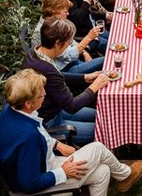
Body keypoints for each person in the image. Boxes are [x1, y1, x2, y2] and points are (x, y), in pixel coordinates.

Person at [0, 69, 142, 196]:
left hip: (48, 165)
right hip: (44, 194)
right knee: (97, 148)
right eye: (41, 94)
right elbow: (29, 183)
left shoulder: (12, 111)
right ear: (28, 103)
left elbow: (40, 138)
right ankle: (125, 175)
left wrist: (57, 144)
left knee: (103, 171)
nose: (45, 94)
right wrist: (63, 172)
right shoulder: (27, 137)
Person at [22, 17, 108, 145]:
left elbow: (57, 76)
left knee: (102, 114)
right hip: (50, 122)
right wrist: (95, 87)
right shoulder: (47, 69)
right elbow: (72, 106)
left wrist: (84, 77)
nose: (69, 45)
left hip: (57, 110)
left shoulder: (35, 53)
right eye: (68, 43)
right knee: (105, 129)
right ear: (57, 43)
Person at [31, 0, 104, 74]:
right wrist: (88, 38)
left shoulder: (56, 24)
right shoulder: (44, 31)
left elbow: (71, 41)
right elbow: (65, 55)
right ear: (55, 11)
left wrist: (84, 52)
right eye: (65, 11)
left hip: (73, 61)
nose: (68, 14)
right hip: (65, 70)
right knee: (104, 61)